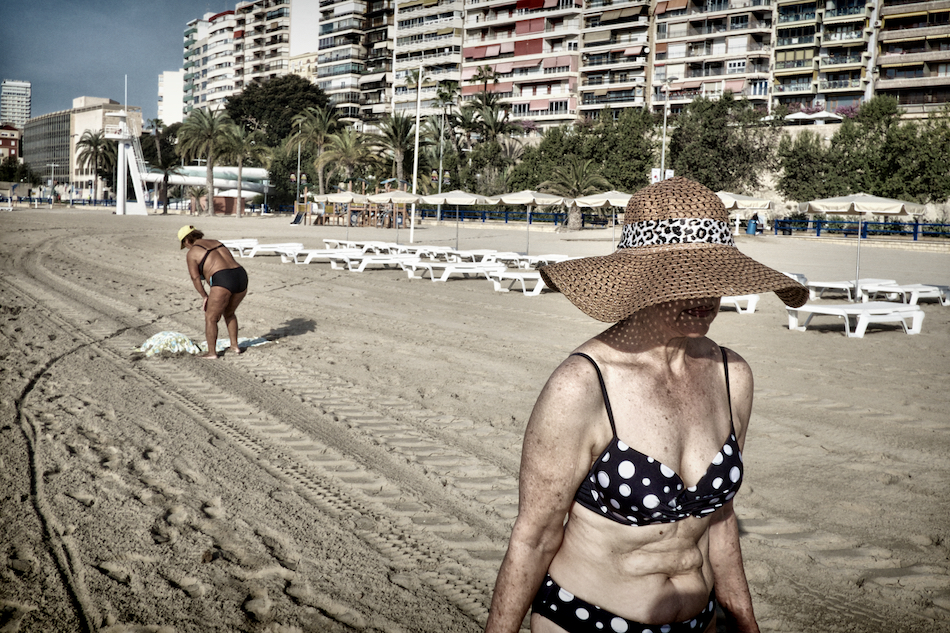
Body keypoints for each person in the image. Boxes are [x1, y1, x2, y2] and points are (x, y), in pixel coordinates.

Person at [484, 178, 807, 633]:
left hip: (700, 620)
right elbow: (534, 536)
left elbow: (720, 517)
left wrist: (744, 619)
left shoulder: (732, 375)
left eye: (716, 278)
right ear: (645, 282)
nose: (706, 296)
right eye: (686, 280)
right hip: (588, 621)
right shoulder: (583, 384)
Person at [178, 225, 249, 359]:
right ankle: (235, 346)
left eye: (184, 245)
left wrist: (205, 296)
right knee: (229, 312)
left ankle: (212, 353)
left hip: (223, 278)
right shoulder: (217, 242)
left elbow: (195, 278)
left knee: (211, 317)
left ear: (186, 240)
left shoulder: (192, 252)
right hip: (240, 275)